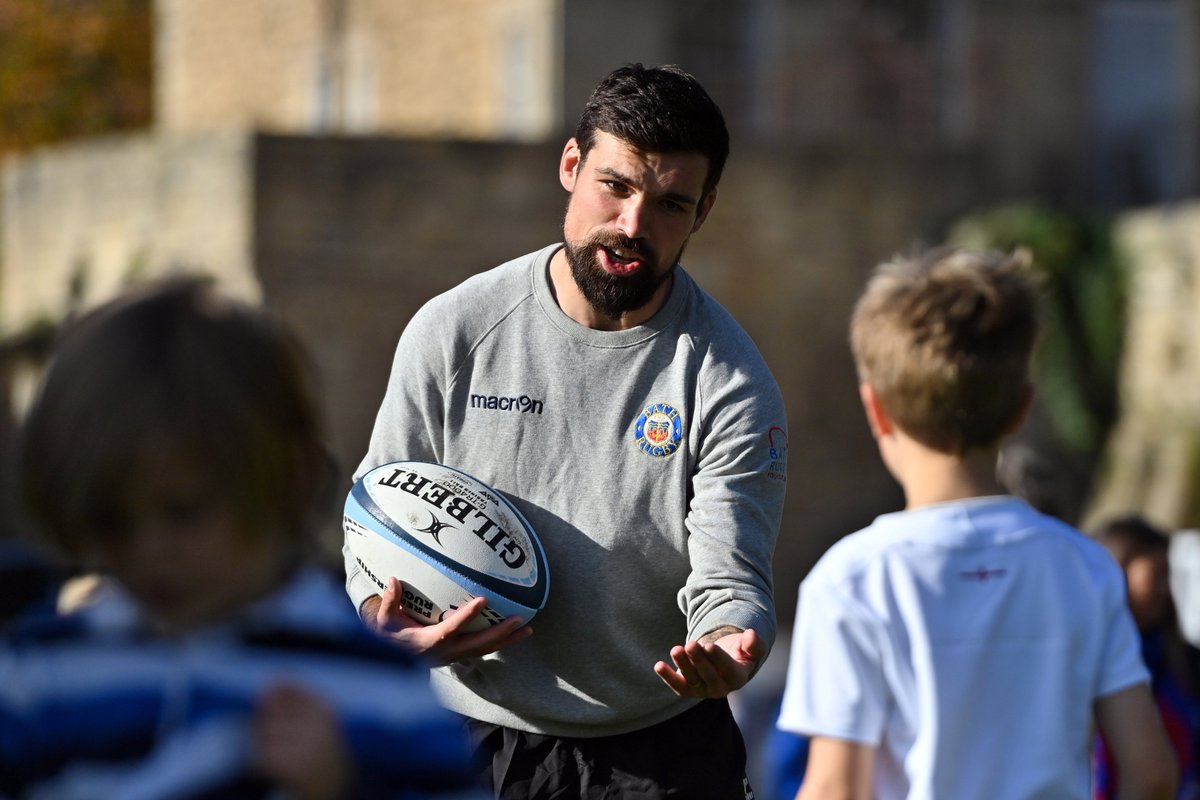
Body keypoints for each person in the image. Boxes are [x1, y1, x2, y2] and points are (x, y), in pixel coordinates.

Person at [345, 63, 788, 798]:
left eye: (670, 204)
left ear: (703, 211)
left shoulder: (729, 378)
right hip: (466, 735)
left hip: (661, 750)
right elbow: (375, 508)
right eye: (615, 186)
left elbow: (731, 574)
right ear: (571, 165)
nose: (634, 226)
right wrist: (380, 613)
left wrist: (726, 642)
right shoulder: (454, 331)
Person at [5, 277, 483, 799]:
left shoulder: (378, 684)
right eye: (110, 522)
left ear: (287, 479)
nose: (148, 549)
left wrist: (345, 786)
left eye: (183, 512)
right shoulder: (41, 670)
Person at [776, 247, 1177, 799]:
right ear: (1022, 408)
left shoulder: (848, 581)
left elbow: (836, 789)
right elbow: (1151, 774)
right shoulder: (1086, 566)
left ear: (876, 409)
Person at [1091, 514, 1200, 799]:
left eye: (1169, 575)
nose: (1166, 589)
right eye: (1157, 574)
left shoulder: (1185, 663)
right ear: (1116, 571)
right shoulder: (1084, 660)